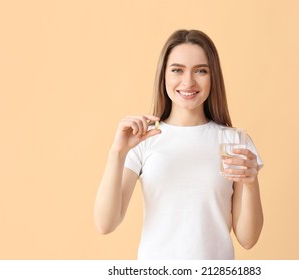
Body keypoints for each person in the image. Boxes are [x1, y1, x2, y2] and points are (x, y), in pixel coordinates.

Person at [94, 29, 264, 260]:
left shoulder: (234, 141)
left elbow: (248, 239)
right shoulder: (143, 140)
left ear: (213, 77)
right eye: (177, 70)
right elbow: (105, 224)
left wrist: (251, 183)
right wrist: (117, 153)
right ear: (164, 75)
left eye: (201, 71)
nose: (188, 82)